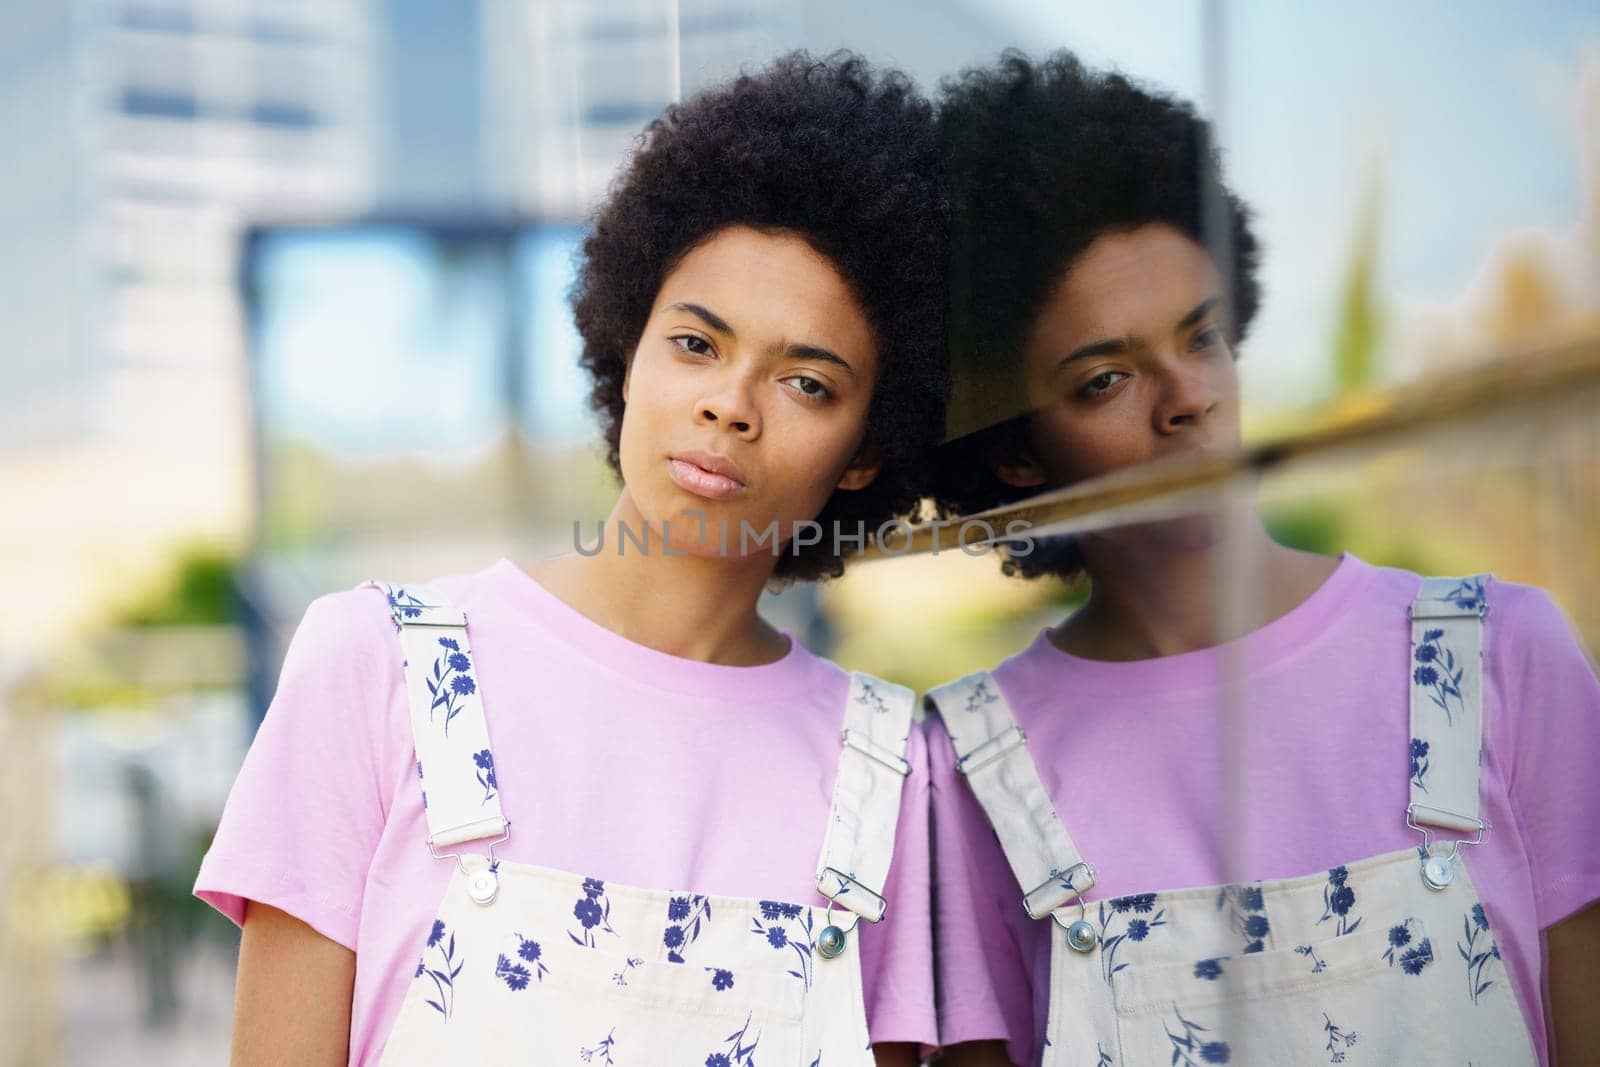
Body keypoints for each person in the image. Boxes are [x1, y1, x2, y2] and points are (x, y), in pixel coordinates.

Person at [194, 51, 948, 1065]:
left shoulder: (893, 774)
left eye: (807, 380)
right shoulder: (378, 664)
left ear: (866, 449)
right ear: (626, 348)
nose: (730, 403)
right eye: (695, 344)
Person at [925, 50, 1600, 1066]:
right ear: (1012, 446)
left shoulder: (1497, 654)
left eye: (1201, 337)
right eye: (1105, 376)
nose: (1185, 396)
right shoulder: (966, 765)